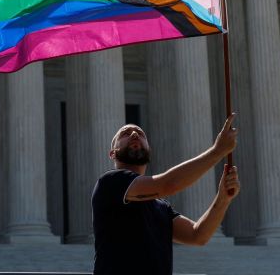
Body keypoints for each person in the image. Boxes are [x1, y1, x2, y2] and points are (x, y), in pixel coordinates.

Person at [92, 113, 240, 275]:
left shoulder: (160, 206)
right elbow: (169, 184)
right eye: (125, 134)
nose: (134, 134)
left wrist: (223, 198)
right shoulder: (110, 182)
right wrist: (217, 152)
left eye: (140, 134)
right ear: (112, 153)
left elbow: (198, 235)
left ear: (149, 149)